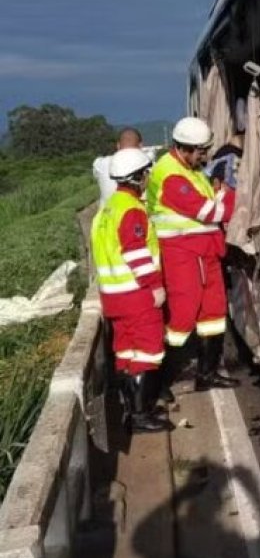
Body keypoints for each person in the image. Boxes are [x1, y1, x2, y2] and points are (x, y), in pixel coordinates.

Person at [146, 116, 239, 392]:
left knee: (213, 312)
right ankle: (159, 382)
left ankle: (206, 374)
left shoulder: (192, 169)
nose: (205, 156)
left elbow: (210, 199)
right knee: (182, 317)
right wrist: (238, 195)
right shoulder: (171, 176)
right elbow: (210, 211)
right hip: (182, 255)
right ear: (183, 148)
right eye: (200, 151)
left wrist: (221, 193)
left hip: (204, 251)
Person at [90, 148, 173, 434]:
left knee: (125, 352)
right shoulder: (132, 211)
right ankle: (140, 415)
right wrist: (156, 286)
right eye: (146, 173)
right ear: (137, 178)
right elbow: (136, 253)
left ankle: (129, 409)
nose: (149, 177)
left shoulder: (107, 209)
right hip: (136, 295)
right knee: (148, 352)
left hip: (113, 298)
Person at [93, 127, 159, 206]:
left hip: (107, 215)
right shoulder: (152, 167)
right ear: (141, 145)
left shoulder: (101, 164)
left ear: (118, 145)